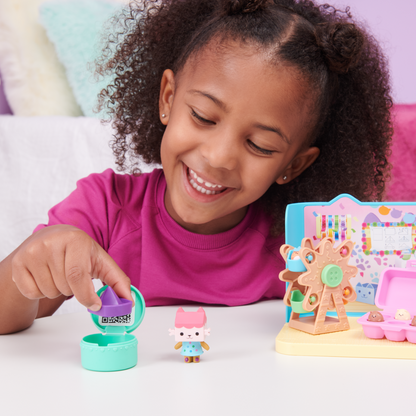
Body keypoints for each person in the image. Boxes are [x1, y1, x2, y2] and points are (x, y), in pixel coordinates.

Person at [0, 0, 392, 334]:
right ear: (168, 98)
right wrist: (32, 262)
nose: (219, 157)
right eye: (203, 117)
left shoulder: (301, 249)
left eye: (259, 145)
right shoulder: (103, 209)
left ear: (293, 164)